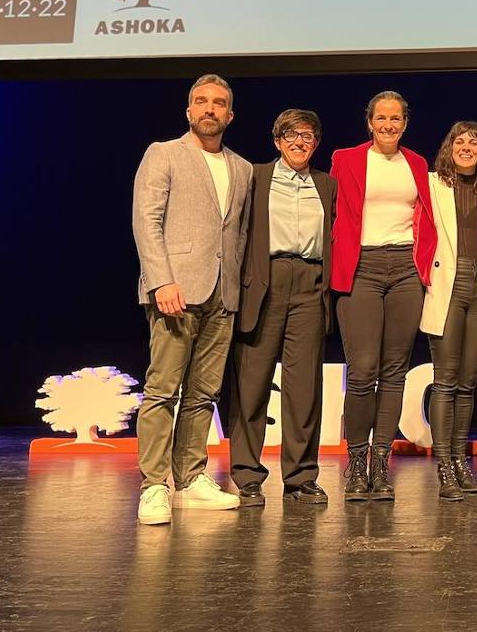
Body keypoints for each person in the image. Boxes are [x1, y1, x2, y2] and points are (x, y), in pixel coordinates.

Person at [131, 74, 254, 525]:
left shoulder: (240, 168)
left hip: (222, 291)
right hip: (176, 290)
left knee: (204, 393)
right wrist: (161, 280)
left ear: (230, 114)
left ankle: (189, 478)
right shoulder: (163, 153)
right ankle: (153, 485)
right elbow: (147, 221)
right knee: (163, 389)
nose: (209, 109)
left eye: (218, 103)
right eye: (201, 101)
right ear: (189, 111)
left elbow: (236, 233)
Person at [330, 91, 436, 502]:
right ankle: (356, 462)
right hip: (363, 268)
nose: (389, 125)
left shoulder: (417, 164)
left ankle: (379, 463)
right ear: (369, 122)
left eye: (396, 118)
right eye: (381, 118)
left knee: (394, 372)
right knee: (362, 371)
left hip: (405, 271)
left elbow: (425, 217)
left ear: (405, 123)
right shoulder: (346, 159)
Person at [229, 109, 336, 506]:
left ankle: (301, 477)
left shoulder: (326, 184)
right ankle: (246, 475)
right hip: (264, 283)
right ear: (277, 141)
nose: (299, 142)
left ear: (316, 144)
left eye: (307, 136)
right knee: (251, 385)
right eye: (290, 135)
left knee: (304, 388)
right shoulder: (255, 177)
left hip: (310, 284)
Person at [420, 122, 477, 500]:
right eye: (460, 140)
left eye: (474, 141)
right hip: (447, 287)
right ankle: (443, 465)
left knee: (467, 383)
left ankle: (460, 460)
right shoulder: (431, 184)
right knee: (445, 380)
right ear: (449, 147)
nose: (467, 146)